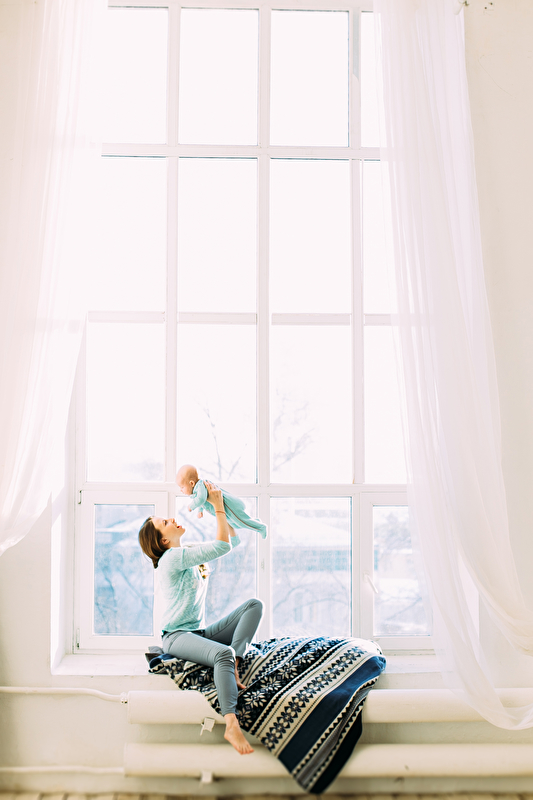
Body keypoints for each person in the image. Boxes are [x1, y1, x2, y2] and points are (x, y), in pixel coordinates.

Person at [138, 480, 263, 755]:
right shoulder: (172, 558)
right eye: (165, 522)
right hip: (176, 637)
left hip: (199, 632)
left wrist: (220, 506)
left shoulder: (185, 553)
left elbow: (229, 541)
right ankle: (231, 724)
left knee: (254, 606)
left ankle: (235, 663)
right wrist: (217, 507)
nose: (172, 519)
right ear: (163, 540)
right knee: (222, 654)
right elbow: (222, 547)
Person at [176, 464, 267, 539]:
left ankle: (261, 527)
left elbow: (201, 498)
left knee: (240, 521)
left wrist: (191, 506)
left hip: (229, 506)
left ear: (191, 483)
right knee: (235, 524)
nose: (181, 490)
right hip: (225, 509)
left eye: (182, 487)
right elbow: (201, 501)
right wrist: (200, 510)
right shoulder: (197, 490)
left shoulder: (200, 486)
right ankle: (255, 522)